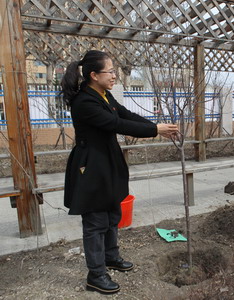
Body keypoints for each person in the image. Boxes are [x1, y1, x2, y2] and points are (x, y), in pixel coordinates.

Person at [61, 50, 179, 294]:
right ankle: (95, 275)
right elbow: (116, 124)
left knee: (112, 210)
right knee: (95, 220)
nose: (115, 75)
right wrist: (154, 130)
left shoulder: (103, 95)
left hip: (107, 161)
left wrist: (155, 127)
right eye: (111, 71)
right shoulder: (84, 102)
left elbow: (125, 114)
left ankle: (110, 257)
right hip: (91, 165)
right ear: (94, 75)